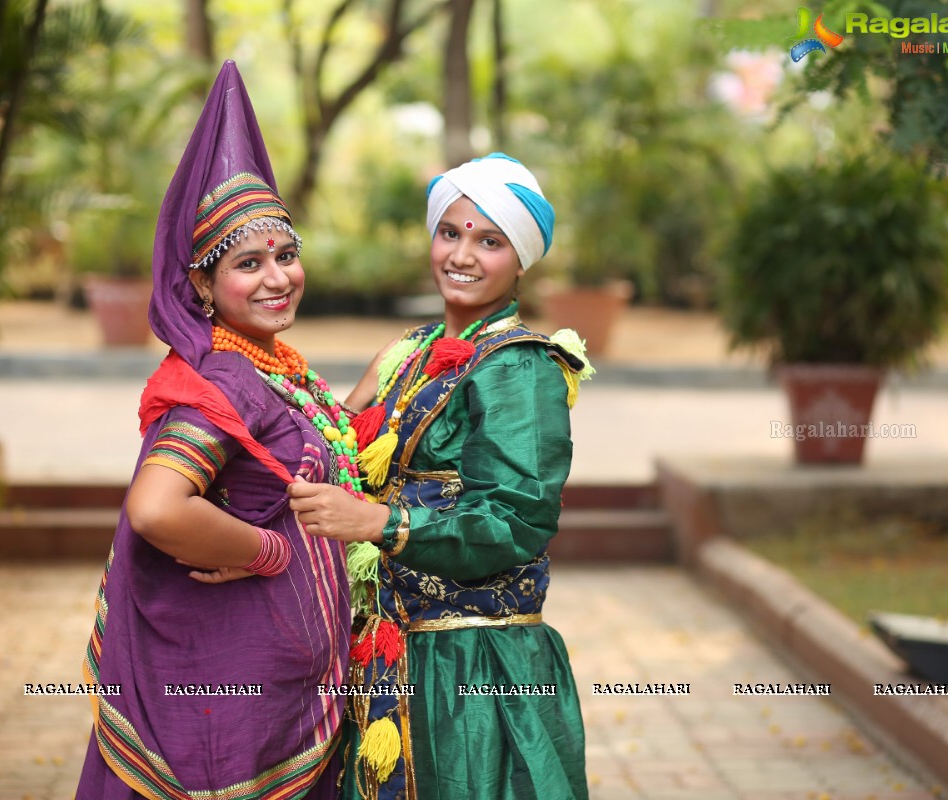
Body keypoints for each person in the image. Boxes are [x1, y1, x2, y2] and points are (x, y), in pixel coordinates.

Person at [75, 62, 353, 800]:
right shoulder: (220, 380)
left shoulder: (264, 364)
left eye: (286, 256)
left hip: (275, 699)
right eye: (247, 264)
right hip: (225, 723)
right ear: (201, 284)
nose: (276, 278)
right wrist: (265, 551)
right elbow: (159, 508)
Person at [288, 153, 592, 799]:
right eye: (450, 232)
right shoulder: (408, 353)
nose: (463, 254)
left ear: (521, 260)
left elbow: (516, 520)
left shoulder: (520, 368)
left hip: (473, 670)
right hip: (385, 656)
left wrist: (380, 522)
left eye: (490, 240)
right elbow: (337, 457)